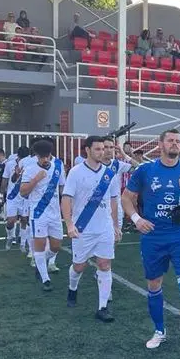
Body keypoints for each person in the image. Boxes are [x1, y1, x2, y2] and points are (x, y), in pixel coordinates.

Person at [122, 129, 180, 359]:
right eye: (171, 140)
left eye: (179, 141)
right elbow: (126, 198)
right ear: (160, 144)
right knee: (154, 285)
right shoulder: (145, 170)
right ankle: (159, 331)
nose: (175, 144)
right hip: (153, 238)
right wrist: (137, 219)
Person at [61, 136, 121, 323]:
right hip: (83, 228)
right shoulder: (76, 172)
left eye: (103, 149)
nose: (102, 152)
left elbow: (113, 200)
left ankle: (102, 308)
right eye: (97, 149)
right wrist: (69, 224)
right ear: (87, 150)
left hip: (104, 229)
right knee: (79, 267)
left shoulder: (109, 174)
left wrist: (115, 225)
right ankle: (72, 288)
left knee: (105, 264)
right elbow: (66, 198)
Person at [20, 139, 66, 291]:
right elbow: (23, 191)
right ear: (36, 156)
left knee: (56, 246)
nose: (45, 159)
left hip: (55, 213)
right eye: (42, 157)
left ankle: (40, 265)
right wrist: (36, 179)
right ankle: (45, 279)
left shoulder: (58, 167)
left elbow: (62, 189)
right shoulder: (30, 169)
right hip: (38, 213)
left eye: (47, 156)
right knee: (39, 246)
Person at [2, 146, 35, 254]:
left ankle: (22, 244)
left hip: (25, 196)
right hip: (12, 196)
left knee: (25, 220)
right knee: (11, 220)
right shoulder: (10, 164)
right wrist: (2, 193)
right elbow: (6, 179)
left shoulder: (31, 165)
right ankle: (10, 236)